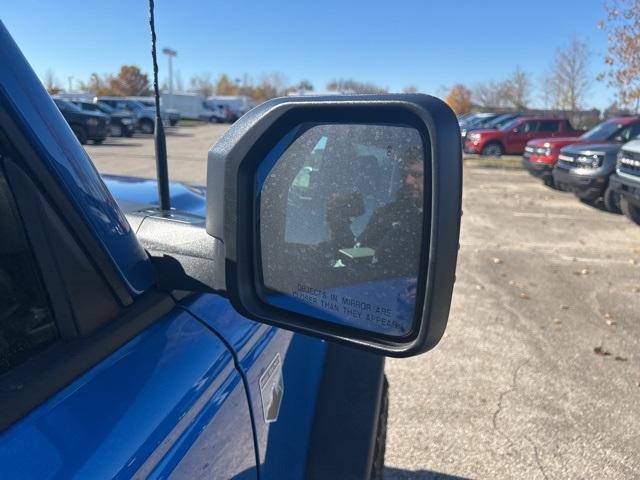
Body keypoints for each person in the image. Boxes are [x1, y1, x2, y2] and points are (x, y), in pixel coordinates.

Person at [357, 146, 426, 276]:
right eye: (404, 175)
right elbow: (360, 252)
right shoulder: (384, 215)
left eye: (416, 175)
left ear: (434, 177)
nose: (408, 181)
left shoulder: (438, 219)